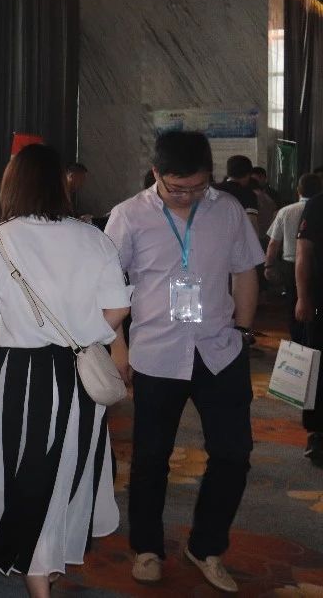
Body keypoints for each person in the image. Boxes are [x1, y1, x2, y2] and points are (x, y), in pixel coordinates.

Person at [0, 144, 130, 597]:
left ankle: (37, 567)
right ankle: (49, 555)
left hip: (21, 372)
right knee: (67, 464)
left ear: (12, 185)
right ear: (61, 184)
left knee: (24, 466)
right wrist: (84, 333)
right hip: (81, 370)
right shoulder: (93, 237)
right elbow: (118, 308)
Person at [105, 131, 261, 594]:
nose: (188, 196)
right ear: (156, 173)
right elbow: (108, 285)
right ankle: (147, 548)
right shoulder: (128, 216)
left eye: (197, 186)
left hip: (220, 350)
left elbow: (245, 272)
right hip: (157, 353)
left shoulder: (228, 210)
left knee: (233, 454)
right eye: (177, 188)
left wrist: (244, 332)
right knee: (151, 458)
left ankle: (207, 546)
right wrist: (117, 345)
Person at [267, 173, 322, 340]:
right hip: (312, 266)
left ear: (298, 190)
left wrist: (269, 265)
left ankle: (298, 341)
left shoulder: (286, 211)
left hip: (291, 265)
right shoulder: (316, 206)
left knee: (294, 304)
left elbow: (273, 243)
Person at [292, 185, 323, 465]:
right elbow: (303, 254)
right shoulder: (317, 204)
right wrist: (303, 298)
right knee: (319, 368)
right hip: (321, 301)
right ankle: (318, 433)